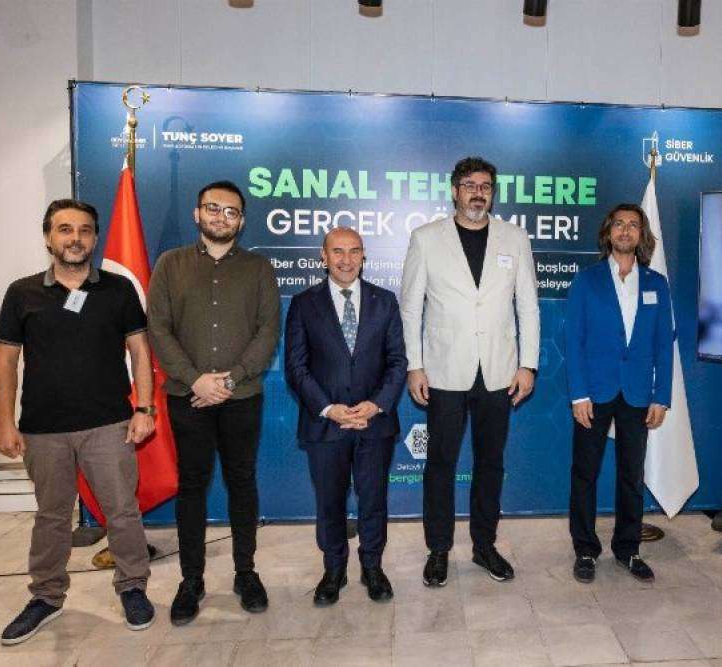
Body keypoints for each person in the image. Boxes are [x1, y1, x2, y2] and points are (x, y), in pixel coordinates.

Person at [0, 199, 156, 644]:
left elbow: (140, 350)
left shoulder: (119, 290)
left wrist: (144, 408)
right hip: (43, 429)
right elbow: (5, 361)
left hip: (109, 425)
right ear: (49, 236)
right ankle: (46, 596)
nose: (75, 238)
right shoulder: (22, 292)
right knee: (51, 516)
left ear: (95, 237)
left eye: (84, 230)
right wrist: (4, 422)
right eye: (65, 229)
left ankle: (133, 587)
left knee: (122, 512)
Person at [400, 156, 539, 585]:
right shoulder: (426, 238)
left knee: (490, 463)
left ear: (492, 193)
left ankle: (484, 545)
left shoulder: (515, 238)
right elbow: (410, 308)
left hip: (499, 370)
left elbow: (528, 306)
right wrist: (414, 365)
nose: (478, 193)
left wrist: (528, 364)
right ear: (455, 191)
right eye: (470, 185)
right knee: (440, 464)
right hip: (443, 370)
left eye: (485, 186)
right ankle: (438, 549)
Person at [148, 181, 280, 625]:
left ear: (241, 221)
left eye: (231, 211)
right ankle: (192, 580)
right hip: (188, 398)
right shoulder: (170, 264)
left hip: (242, 397)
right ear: (197, 213)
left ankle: (246, 573)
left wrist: (230, 378)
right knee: (192, 486)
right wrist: (195, 380)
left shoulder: (259, 268)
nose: (221, 217)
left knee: (242, 482)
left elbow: (267, 331)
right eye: (213, 208)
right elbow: (158, 329)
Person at [285, 227, 406, 605]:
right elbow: (296, 367)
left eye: (354, 251)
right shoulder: (303, 304)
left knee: (374, 501)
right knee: (329, 503)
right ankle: (333, 570)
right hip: (326, 425)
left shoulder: (385, 302)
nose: (346, 259)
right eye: (337, 251)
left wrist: (376, 404)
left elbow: (398, 362)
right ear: (323, 257)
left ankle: (373, 567)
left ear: (364, 256)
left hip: (374, 423)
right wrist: (329, 409)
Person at [564, 203, 674, 584]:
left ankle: (628, 549)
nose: (626, 231)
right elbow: (574, 341)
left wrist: (661, 396)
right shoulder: (586, 281)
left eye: (633, 225)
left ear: (642, 235)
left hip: (638, 393)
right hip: (594, 392)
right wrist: (578, 394)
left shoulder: (657, 284)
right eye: (619, 224)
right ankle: (585, 549)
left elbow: (663, 345)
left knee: (631, 475)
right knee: (585, 474)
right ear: (608, 232)